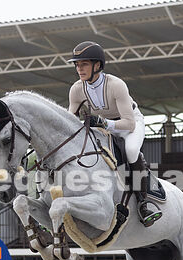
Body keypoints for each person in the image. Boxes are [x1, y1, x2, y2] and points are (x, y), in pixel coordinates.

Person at [67, 40, 161, 227]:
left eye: (84, 64)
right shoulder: (76, 89)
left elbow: (129, 124)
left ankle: (144, 203)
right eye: (77, 65)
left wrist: (103, 123)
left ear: (97, 65)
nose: (79, 69)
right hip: (102, 127)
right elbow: (70, 120)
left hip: (129, 123)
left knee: (131, 151)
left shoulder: (116, 85)